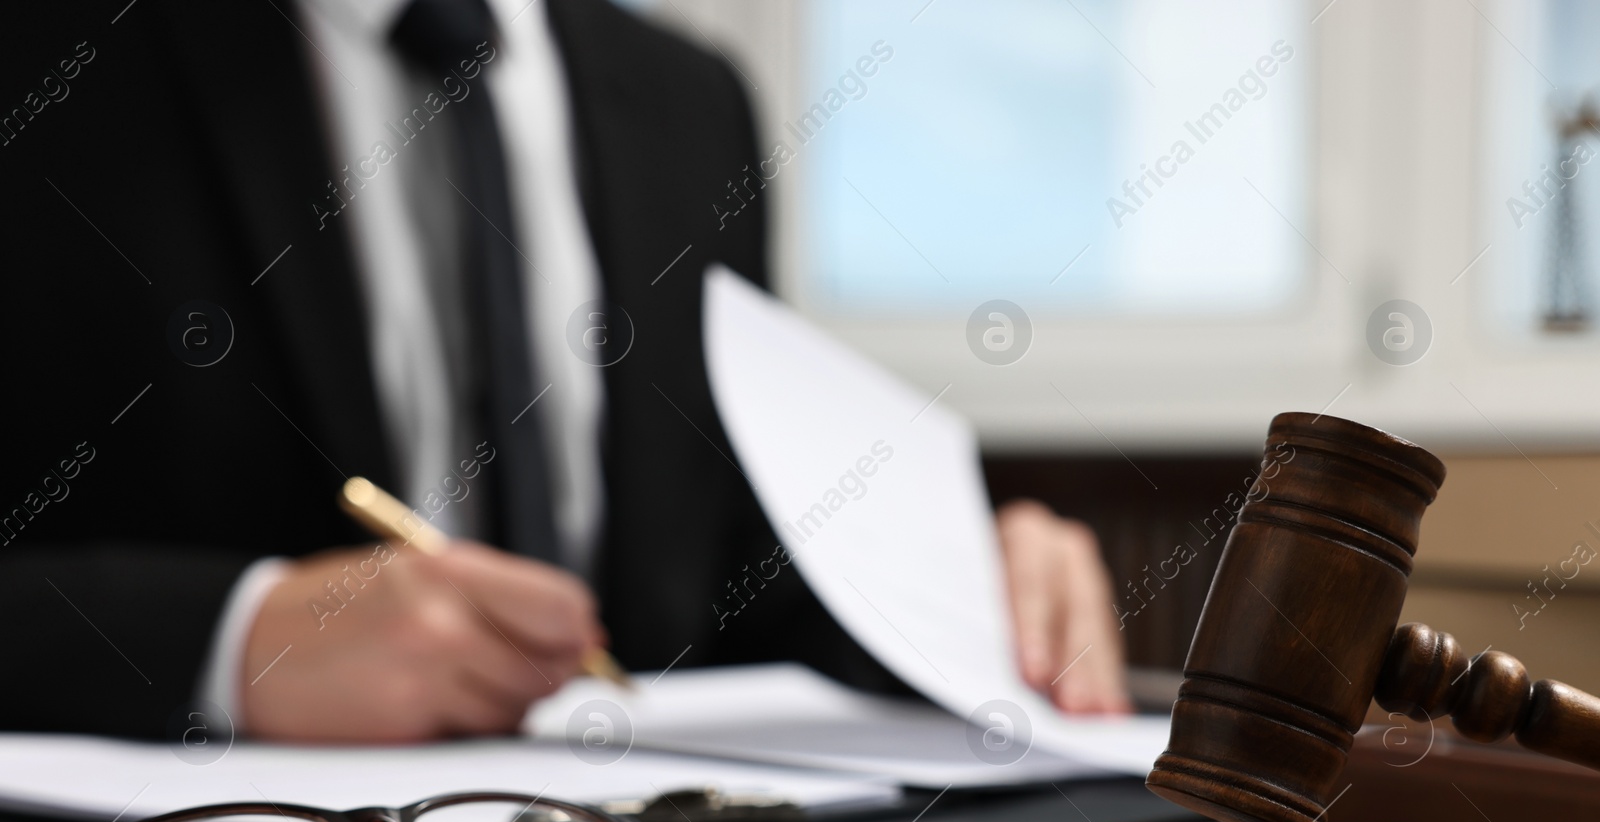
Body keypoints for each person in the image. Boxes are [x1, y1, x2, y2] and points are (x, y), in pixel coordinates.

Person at [0, 0, 1129, 744]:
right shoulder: (54, 67)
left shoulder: (690, 102)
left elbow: (728, 576)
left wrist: (953, 589)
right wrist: (231, 639)